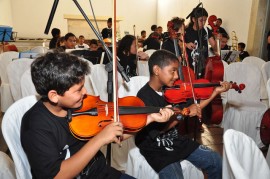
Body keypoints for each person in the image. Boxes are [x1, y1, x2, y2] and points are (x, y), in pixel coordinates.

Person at [20, 51, 174, 179]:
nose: (85, 92)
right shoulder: (35, 126)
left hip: (100, 172)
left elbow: (116, 133)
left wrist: (150, 118)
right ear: (54, 96)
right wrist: (100, 139)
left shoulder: (79, 105)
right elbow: (57, 175)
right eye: (78, 90)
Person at [136, 49, 231, 179]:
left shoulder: (173, 90)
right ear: (157, 70)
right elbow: (159, 130)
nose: (176, 76)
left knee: (215, 160)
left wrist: (215, 92)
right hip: (156, 147)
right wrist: (184, 113)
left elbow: (194, 107)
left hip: (177, 140)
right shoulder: (143, 97)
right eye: (172, 71)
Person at [185, 7, 218, 79]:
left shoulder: (206, 30)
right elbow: (179, 45)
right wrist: (186, 44)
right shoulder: (186, 31)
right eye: (201, 20)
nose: (203, 23)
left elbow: (215, 48)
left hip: (204, 64)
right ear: (193, 19)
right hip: (190, 65)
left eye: (205, 20)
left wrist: (217, 39)